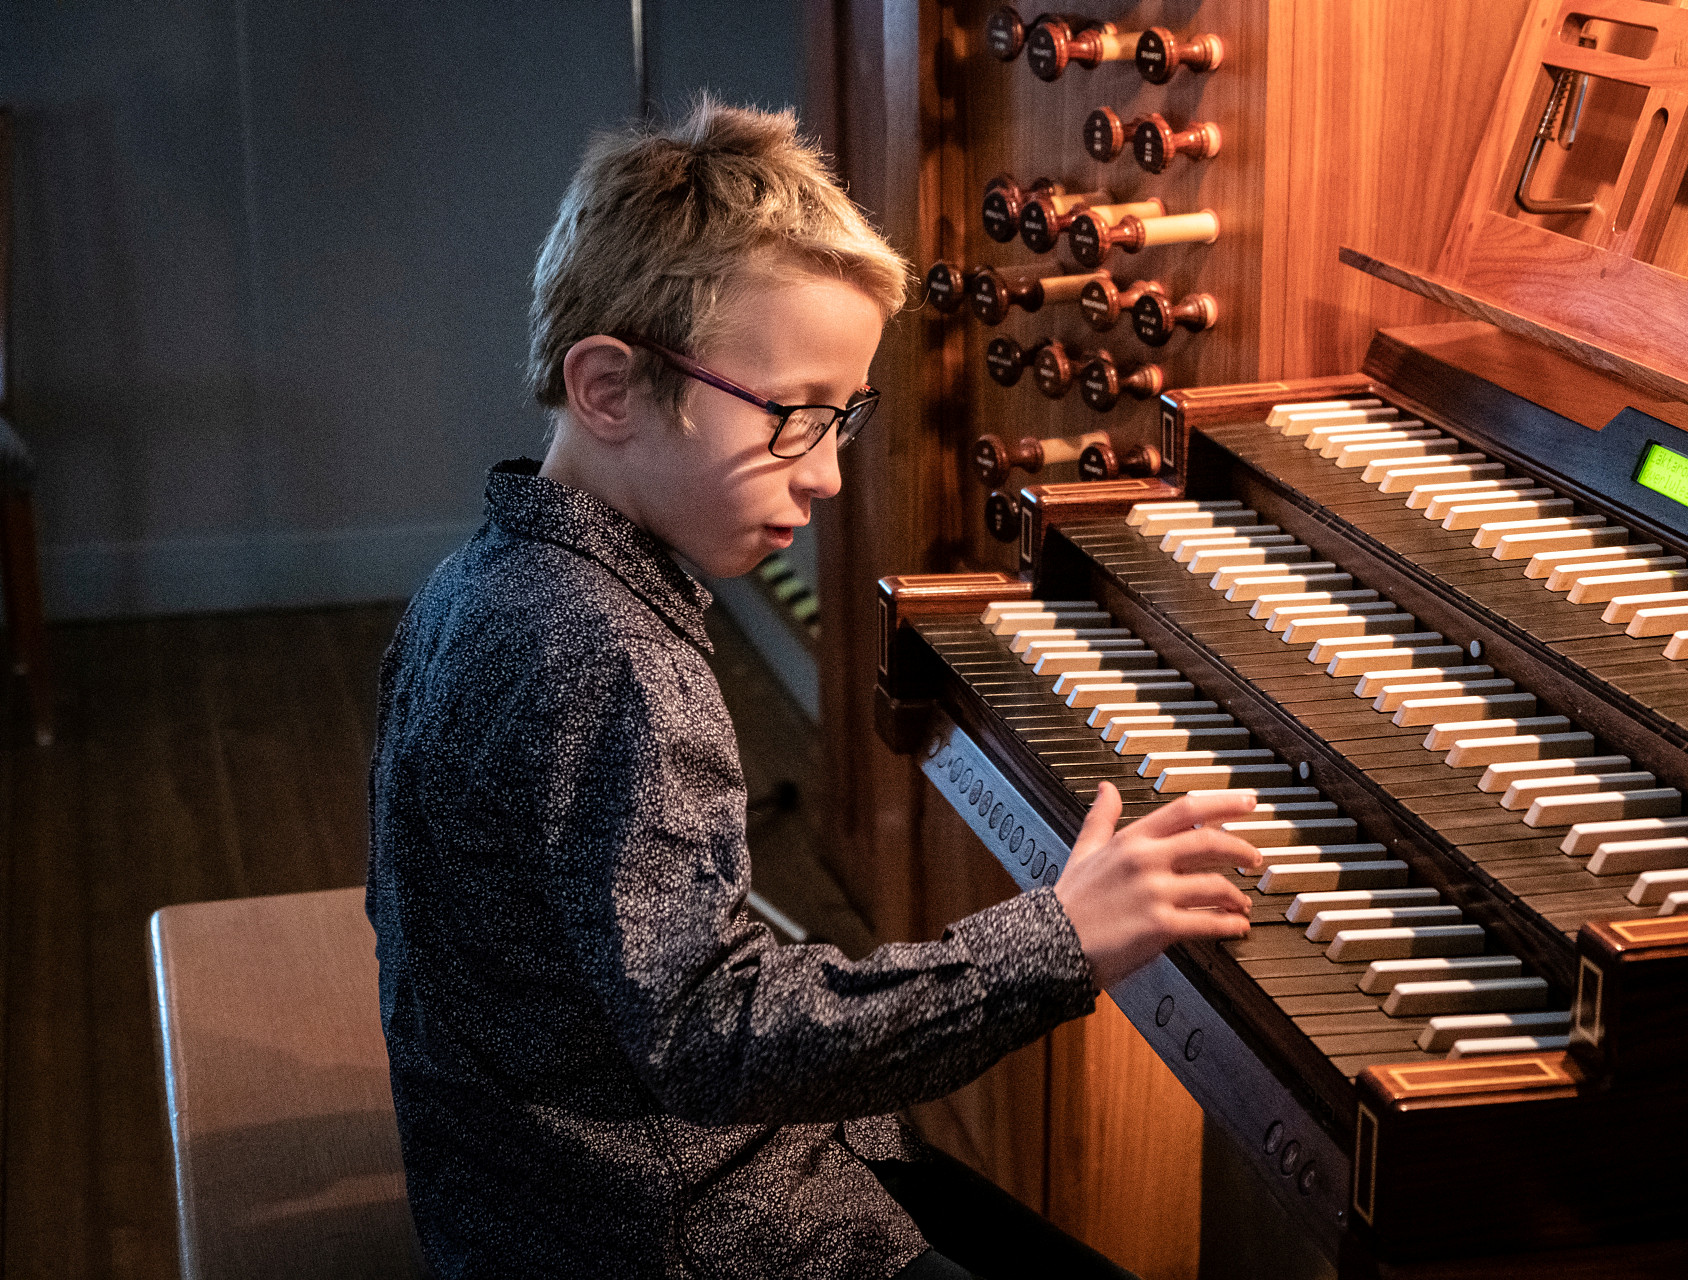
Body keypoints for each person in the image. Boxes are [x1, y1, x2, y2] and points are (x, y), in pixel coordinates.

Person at [366, 96, 1263, 1279]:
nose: (833, 475)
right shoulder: (602, 653)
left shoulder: (477, 580)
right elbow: (712, 1032)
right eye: (797, 418)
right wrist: (1058, 937)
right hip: (663, 1230)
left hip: (535, 1186)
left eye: (844, 418)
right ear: (611, 387)